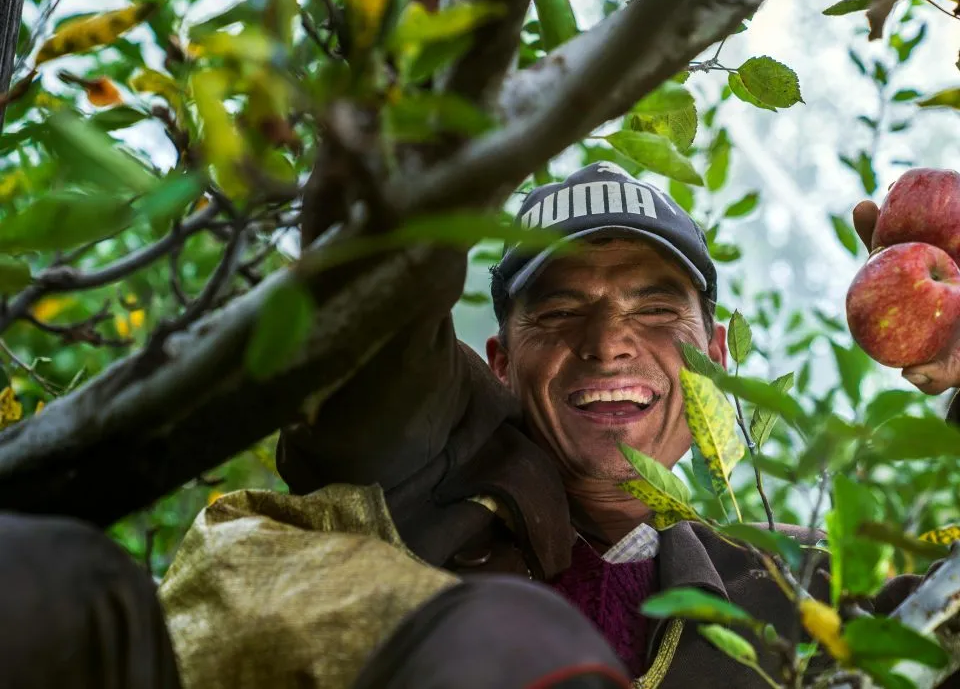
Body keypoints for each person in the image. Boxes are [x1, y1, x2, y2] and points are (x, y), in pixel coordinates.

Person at [2, 164, 958, 689]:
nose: (607, 345)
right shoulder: (428, 461)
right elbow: (378, 331)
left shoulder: (795, 587)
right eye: (557, 312)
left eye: (656, 310)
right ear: (498, 365)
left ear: (720, 353)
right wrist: (427, 128)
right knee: (43, 576)